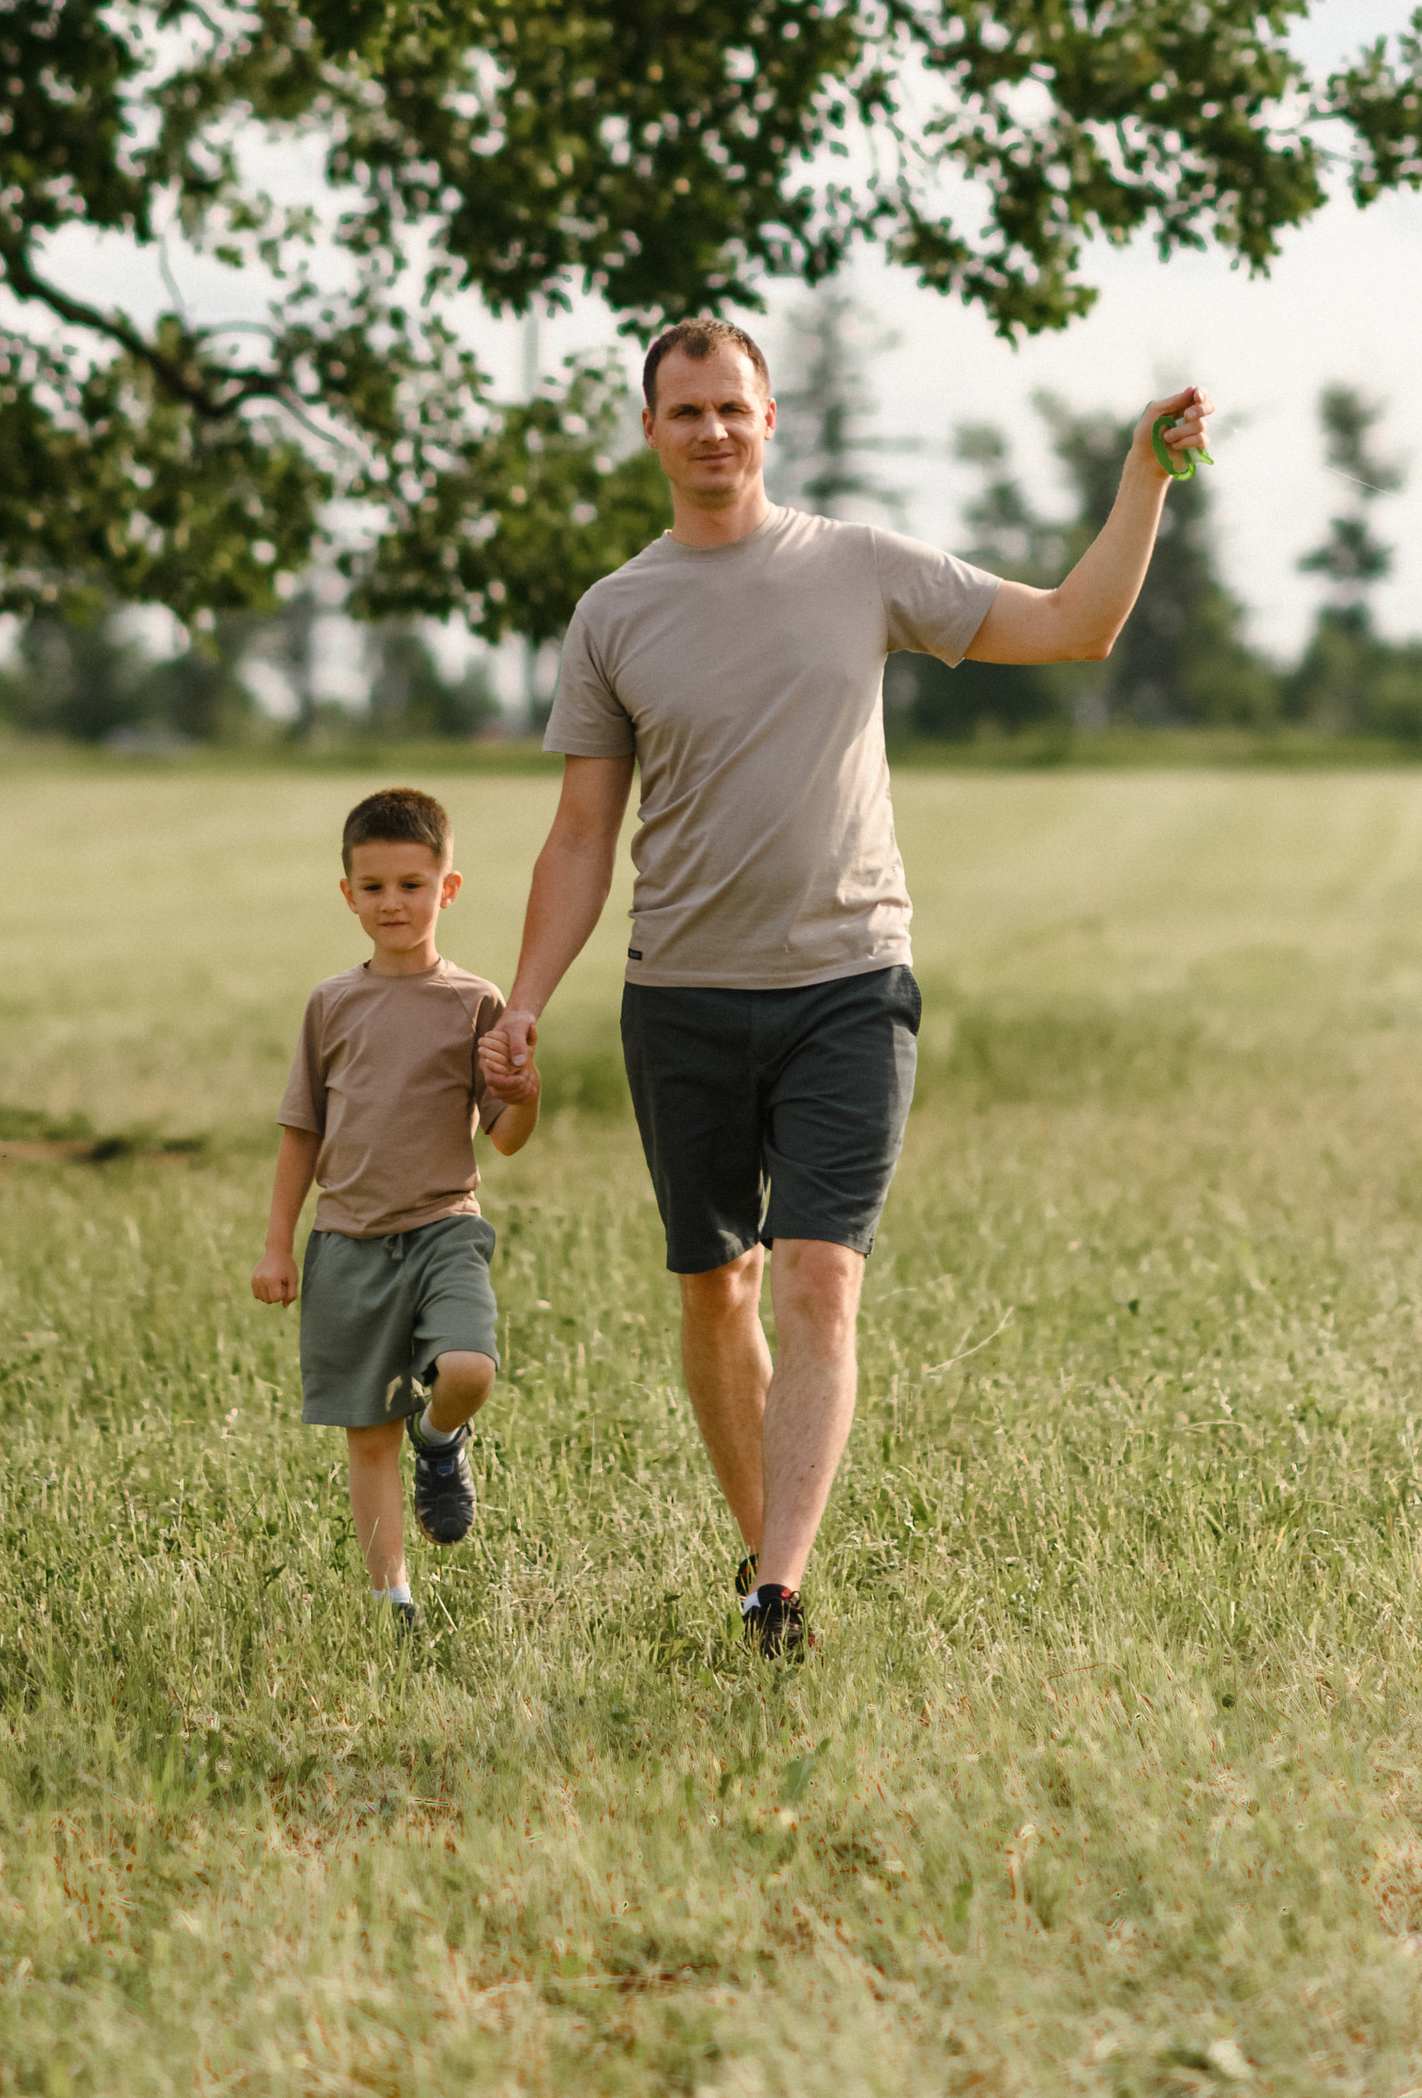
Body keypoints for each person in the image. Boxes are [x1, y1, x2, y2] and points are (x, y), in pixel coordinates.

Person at [480, 314, 1211, 1655]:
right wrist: (524, 1001)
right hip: (681, 995)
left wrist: (1142, 478)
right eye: (686, 410)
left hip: (849, 986)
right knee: (717, 1288)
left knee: (818, 1276)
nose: (712, 429)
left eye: (732, 406)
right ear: (650, 432)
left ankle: (778, 1592)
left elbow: (1074, 627)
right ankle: (766, 1556)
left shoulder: (860, 566)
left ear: (770, 420)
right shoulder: (614, 614)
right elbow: (581, 836)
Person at [253, 784, 541, 1624]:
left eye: (412, 885)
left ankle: (441, 1439)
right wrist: (278, 1246)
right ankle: (393, 1600)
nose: (392, 903)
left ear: (448, 888)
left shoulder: (476, 1001)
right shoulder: (331, 1004)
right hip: (347, 1243)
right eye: (373, 887)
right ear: (347, 893)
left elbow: (507, 1137)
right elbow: (301, 1132)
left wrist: (525, 1091)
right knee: (369, 1433)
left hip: (445, 1228)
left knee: (469, 1370)